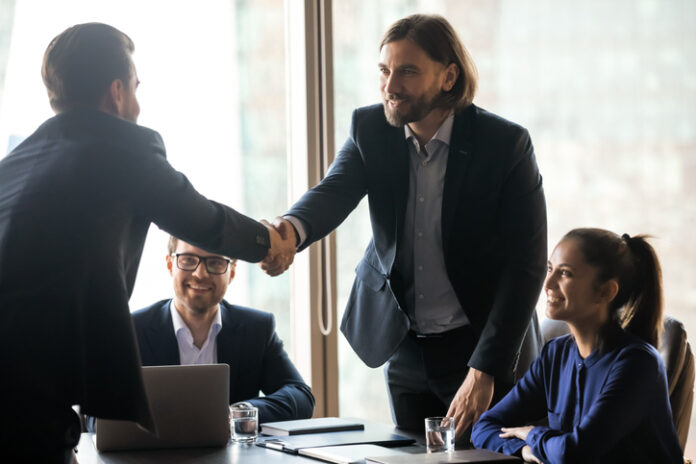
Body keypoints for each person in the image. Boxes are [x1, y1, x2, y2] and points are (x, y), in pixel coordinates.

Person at [0, 23, 294, 463]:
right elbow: (201, 219)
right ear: (116, 92)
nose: (137, 104)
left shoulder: (14, 163)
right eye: (136, 88)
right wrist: (268, 241)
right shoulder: (124, 145)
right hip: (31, 391)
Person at [265, 14, 547, 438]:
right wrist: (288, 231)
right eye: (384, 70)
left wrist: (485, 369)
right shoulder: (371, 129)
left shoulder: (504, 145)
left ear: (448, 76)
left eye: (408, 71)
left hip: (481, 345)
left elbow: (527, 265)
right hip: (407, 346)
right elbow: (333, 192)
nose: (391, 86)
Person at [471, 229, 683, 463]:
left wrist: (532, 434)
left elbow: (574, 453)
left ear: (606, 291)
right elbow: (484, 427)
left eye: (565, 273)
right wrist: (524, 449)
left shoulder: (638, 364)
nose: (548, 283)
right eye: (550, 269)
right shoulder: (554, 355)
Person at [131, 236, 314, 423]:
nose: (200, 274)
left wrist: (239, 413)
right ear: (170, 265)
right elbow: (103, 410)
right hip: (156, 451)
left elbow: (301, 397)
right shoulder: (133, 330)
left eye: (216, 262)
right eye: (188, 260)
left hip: (233, 452)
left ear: (232, 272)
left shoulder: (256, 329)